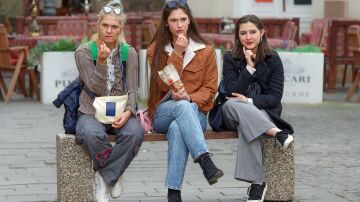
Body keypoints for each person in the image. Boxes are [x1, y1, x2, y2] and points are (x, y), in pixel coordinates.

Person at [146, 0, 224, 201]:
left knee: (178, 128)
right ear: (166, 23)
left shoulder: (205, 50)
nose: (179, 25)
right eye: (174, 20)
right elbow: (162, 86)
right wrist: (177, 53)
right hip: (163, 112)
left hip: (196, 114)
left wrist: (190, 97)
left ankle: (174, 193)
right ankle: (205, 159)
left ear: (190, 21)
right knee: (181, 107)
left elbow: (210, 89)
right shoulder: (156, 50)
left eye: (183, 19)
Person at [74, 1, 144, 202]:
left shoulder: (128, 52)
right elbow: (93, 87)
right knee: (89, 132)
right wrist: (102, 62)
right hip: (91, 110)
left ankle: (104, 178)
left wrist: (129, 112)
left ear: (120, 28)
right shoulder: (84, 52)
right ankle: (115, 171)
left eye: (114, 26)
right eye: (105, 25)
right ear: (98, 25)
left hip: (121, 109)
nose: (109, 31)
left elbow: (132, 89)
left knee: (135, 132)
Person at [221, 15, 294, 202]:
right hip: (231, 112)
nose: (248, 37)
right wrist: (249, 68)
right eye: (243, 33)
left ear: (262, 33)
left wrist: (249, 101)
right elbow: (231, 91)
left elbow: (275, 97)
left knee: (249, 124)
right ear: (237, 36)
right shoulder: (230, 58)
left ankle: (257, 184)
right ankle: (278, 133)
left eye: (252, 32)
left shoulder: (273, 59)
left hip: (262, 113)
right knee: (232, 103)